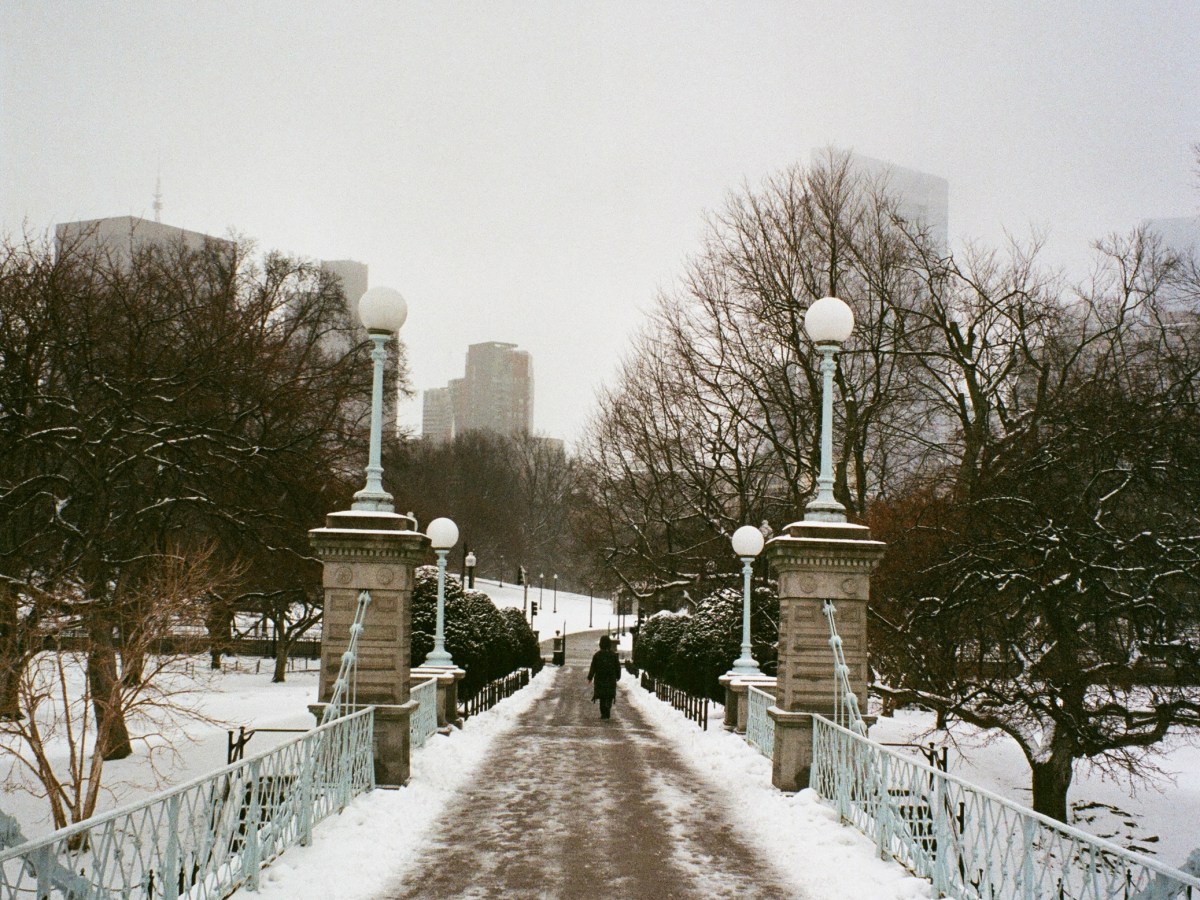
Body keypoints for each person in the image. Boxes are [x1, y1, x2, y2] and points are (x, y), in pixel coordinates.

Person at [587, 635, 621, 719]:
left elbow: (593, 667)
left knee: (602, 696)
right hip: (610, 678)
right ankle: (608, 708)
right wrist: (618, 676)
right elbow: (618, 667)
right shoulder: (613, 655)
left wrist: (590, 677)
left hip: (600, 678)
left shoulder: (597, 655)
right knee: (609, 695)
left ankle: (603, 713)